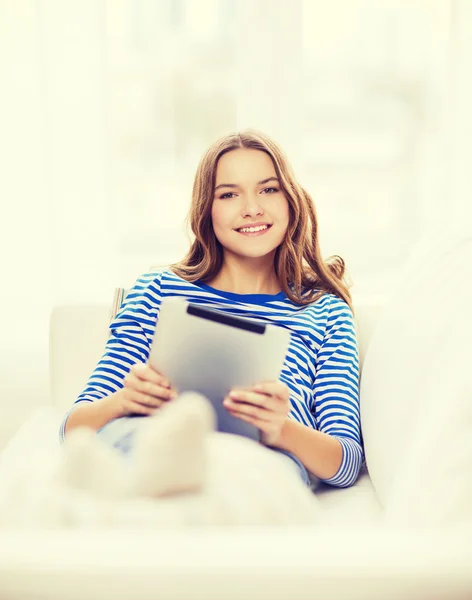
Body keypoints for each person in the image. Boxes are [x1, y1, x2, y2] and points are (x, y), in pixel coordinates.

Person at [59, 130, 363, 495]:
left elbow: (345, 463)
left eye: (268, 189)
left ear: (291, 201)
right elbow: (73, 429)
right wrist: (125, 400)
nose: (252, 207)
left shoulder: (325, 312)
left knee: (254, 474)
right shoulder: (157, 290)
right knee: (129, 440)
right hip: (149, 440)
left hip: (260, 459)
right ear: (208, 209)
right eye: (229, 194)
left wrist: (280, 428)